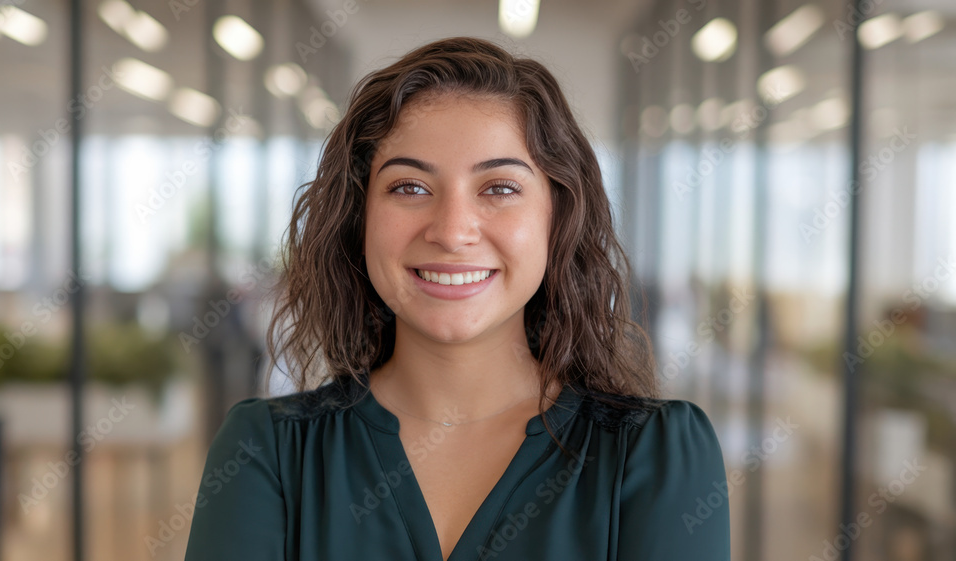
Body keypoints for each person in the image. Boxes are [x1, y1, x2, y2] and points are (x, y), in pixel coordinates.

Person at [183, 36, 730, 561]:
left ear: (556, 218)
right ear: (360, 219)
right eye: (410, 188)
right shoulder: (269, 453)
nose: (452, 230)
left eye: (499, 188)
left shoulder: (654, 456)